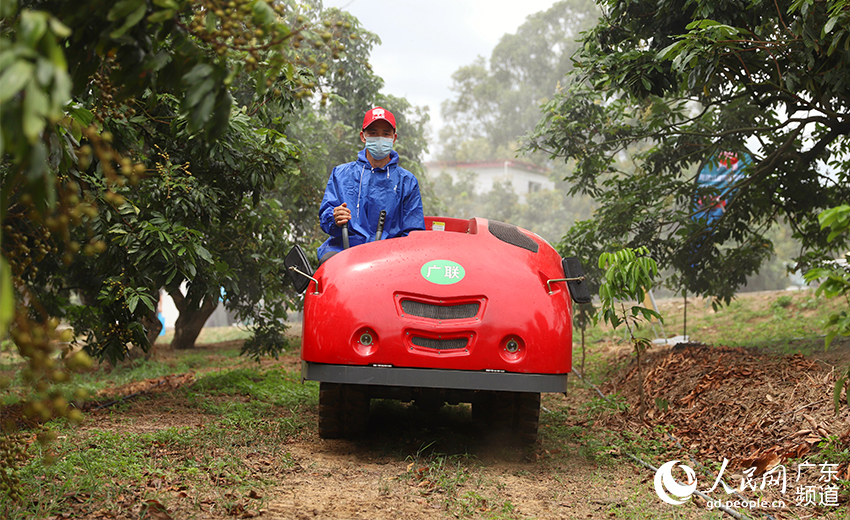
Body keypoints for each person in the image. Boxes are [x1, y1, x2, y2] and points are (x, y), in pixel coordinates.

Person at [317, 107, 425, 263]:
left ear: (394, 138)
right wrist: (334, 217)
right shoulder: (341, 174)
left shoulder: (407, 181)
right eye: (373, 133)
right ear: (363, 136)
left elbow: (413, 233)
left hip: (388, 260)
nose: (380, 138)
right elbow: (326, 220)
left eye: (386, 134)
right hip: (344, 256)